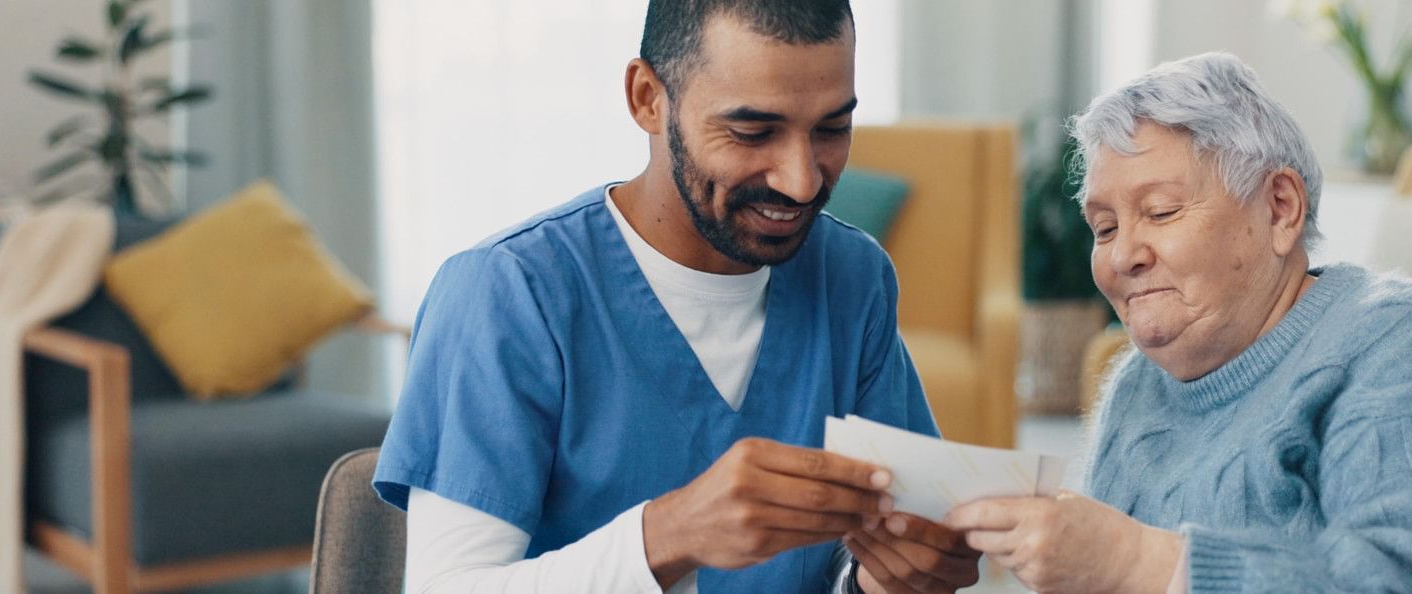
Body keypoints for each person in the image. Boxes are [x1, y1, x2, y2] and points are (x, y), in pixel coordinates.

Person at [373, 1, 979, 592]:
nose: (802, 180)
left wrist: (883, 581)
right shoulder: (506, 294)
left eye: (832, 129)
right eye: (752, 131)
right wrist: (669, 536)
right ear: (647, 99)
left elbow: (869, 556)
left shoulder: (853, 278)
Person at [945, 52, 1412, 593]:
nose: (1121, 257)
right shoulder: (1137, 386)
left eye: (1162, 212)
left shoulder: (1403, 344)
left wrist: (1139, 562)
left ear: (1280, 209)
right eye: (1105, 227)